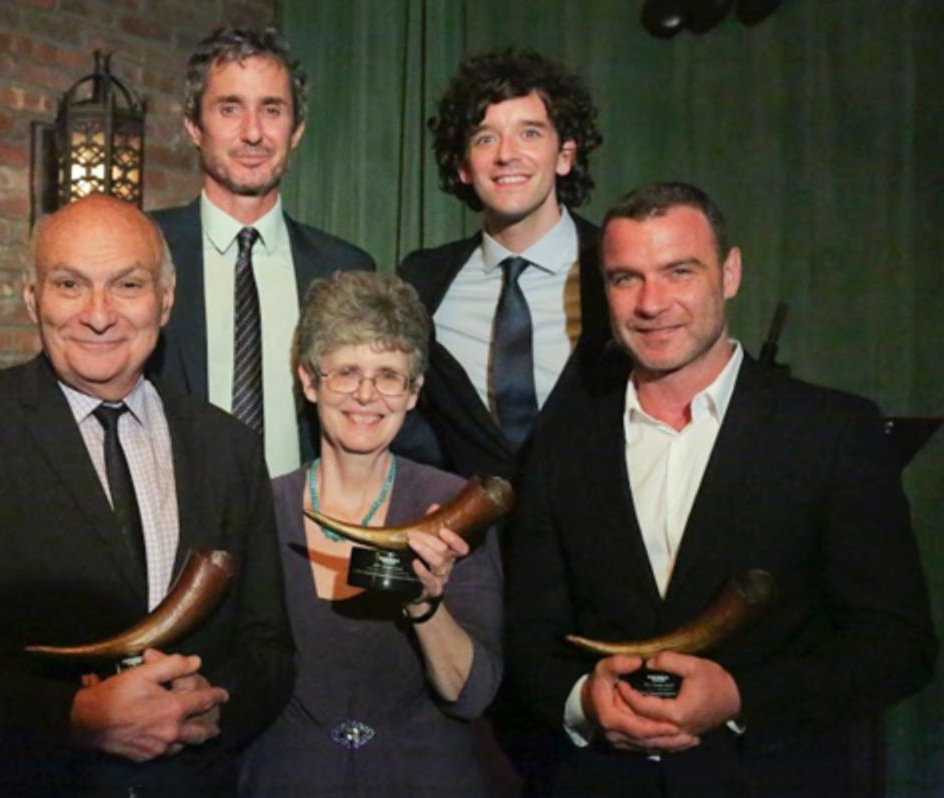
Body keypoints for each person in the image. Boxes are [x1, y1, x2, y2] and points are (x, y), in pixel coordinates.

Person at [505, 182, 936, 797]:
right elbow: (528, 637)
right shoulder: (560, 443)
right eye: (626, 278)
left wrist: (738, 696)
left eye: (679, 271)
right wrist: (582, 701)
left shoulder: (833, 431)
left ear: (729, 273)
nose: (652, 303)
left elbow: (900, 645)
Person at [0, 195, 295, 798]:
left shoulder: (226, 446)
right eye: (70, 284)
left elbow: (268, 649)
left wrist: (207, 707)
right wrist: (74, 718)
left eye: (127, 284)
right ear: (32, 299)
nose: (99, 315)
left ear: (166, 300)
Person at [238, 271, 505, 797]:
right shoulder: (258, 510)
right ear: (309, 382)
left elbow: (469, 694)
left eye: (388, 375)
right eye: (346, 372)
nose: (366, 394)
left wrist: (426, 604)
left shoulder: (455, 508)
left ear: (413, 393)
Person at [150, 25, 374, 478]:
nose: (253, 133)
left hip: (303, 535)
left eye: (271, 110)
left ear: (296, 130)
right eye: (229, 108)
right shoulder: (143, 250)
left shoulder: (345, 269)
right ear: (194, 126)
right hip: (171, 533)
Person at [397, 48, 622, 484]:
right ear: (463, 166)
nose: (506, 155)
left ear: (565, 156)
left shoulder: (617, 268)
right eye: (485, 138)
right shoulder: (421, 282)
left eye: (530, 134)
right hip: (469, 544)